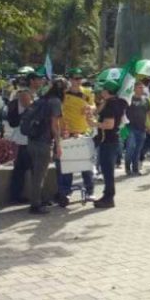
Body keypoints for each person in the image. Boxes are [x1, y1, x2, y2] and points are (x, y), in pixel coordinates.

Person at [55, 71, 95, 206]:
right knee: (66, 166)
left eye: (80, 78)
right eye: (75, 78)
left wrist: (90, 108)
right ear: (70, 80)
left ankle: (90, 191)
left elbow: (94, 106)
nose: (78, 81)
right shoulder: (64, 94)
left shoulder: (87, 92)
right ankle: (65, 193)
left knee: (86, 164)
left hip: (83, 131)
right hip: (67, 133)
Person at [27, 81, 66, 214]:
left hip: (31, 141)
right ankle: (35, 205)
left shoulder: (42, 100)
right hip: (43, 143)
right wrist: (58, 144)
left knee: (36, 173)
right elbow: (55, 125)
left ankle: (40, 199)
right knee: (39, 175)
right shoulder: (55, 102)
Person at [93, 83, 127, 208]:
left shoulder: (111, 105)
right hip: (112, 139)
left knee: (107, 171)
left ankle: (109, 197)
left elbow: (109, 124)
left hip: (108, 140)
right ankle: (107, 195)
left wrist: (94, 124)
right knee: (107, 170)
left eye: (103, 89)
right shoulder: (117, 102)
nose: (101, 91)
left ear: (107, 91)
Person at [6, 87, 34, 204]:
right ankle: (15, 196)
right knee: (19, 171)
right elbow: (12, 123)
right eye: (21, 99)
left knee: (35, 171)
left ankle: (36, 197)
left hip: (32, 143)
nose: (23, 101)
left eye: (26, 99)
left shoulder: (35, 108)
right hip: (21, 143)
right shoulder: (14, 107)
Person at [125, 82, 149, 176]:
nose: (141, 89)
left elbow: (148, 113)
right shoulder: (129, 99)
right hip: (130, 127)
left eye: (142, 87)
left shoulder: (146, 100)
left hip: (142, 128)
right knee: (130, 148)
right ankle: (127, 167)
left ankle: (135, 169)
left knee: (138, 149)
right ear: (134, 89)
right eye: (139, 87)